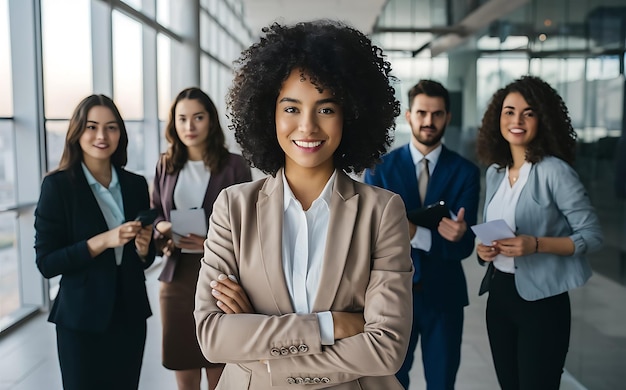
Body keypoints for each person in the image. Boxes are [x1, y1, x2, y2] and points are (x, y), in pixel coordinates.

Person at [193, 20, 414, 389]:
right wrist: (332, 325)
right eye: (291, 108)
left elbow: (386, 348)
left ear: (350, 115)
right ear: (269, 113)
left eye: (326, 109)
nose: (307, 126)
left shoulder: (382, 212)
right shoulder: (234, 208)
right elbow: (214, 337)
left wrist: (259, 341)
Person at [475, 75, 603, 390]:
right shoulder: (496, 173)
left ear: (541, 119)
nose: (516, 120)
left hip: (543, 303)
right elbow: (490, 231)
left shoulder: (555, 172)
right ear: (498, 118)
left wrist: (535, 244)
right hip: (500, 296)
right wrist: (484, 250)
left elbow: (592, 236)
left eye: (528, 112)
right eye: (509, 111)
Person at [364, 79, 480, 390]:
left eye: (438, 114)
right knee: (389, 381)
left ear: (448, 117)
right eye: (422, 113)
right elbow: (367, 239)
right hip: (391, 297)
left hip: (445, 297)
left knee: (442, 382)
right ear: (409, 115)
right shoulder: (379, 170)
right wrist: (428, 236)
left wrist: (433, 234)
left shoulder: (466, 172)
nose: (429, 121)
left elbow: (466, 246)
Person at [34, 94, 156, 390]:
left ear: (120, 134)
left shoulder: (135, 184)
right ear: (77, 132)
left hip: (130, 313)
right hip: (81, 318)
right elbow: (47, 263)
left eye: (111, 127)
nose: (101, 136)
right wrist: (102, 241)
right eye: (92, 127)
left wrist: (143, 247)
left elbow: (146, 258)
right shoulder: (57, 187)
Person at [151, 87, 251, 390]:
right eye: (182, 119)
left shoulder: (234, 165)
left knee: (219, 367)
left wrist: (209, 241)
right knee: (183, 364)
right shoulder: (166, 164)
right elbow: (155, 211)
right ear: (173, 123)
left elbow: (249, 224)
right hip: (177, 276)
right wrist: (163, 229)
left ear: (211, 121)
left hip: (219, 276)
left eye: (198, 117)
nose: (189, 126)